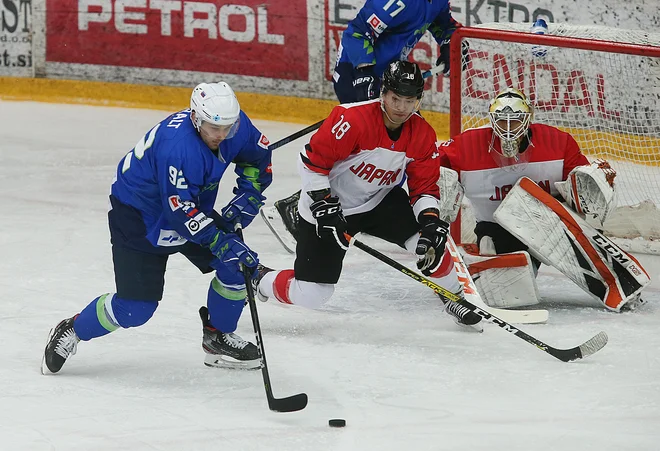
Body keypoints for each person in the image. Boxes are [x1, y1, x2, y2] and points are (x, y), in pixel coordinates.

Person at [42, 82, 273, 374]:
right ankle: (74, 329)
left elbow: (257, 159)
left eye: (228, 126)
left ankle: (218, 336)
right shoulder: (177, 148)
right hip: (140, 215)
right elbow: (180, 213)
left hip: (187, 204)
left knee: (236, 264)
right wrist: (220, 239)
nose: (223, 135)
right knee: (135, 309)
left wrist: (248, 198)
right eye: (215, 129)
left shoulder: (235, 127)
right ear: (196, 118)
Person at [253, 61, 483, 331]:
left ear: (419, 101)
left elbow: (424, 188)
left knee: (428, 243)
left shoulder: (422, 134)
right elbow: (311, 164)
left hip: (379, 200)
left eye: (409, 101)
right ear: (383, 93)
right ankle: (260, 278)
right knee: (313, 294)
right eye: (395, 98)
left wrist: (430, 219)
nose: (401, 108)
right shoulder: (351, 120)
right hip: (330, 209)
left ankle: (454, 295)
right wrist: (324, 204)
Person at [270, 0, 468, 240]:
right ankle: (309, 202)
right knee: (362, 148)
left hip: (389, 76)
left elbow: (443, 23)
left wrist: (450, 42)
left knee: (396, 153)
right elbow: (357, 32)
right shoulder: (397, 2)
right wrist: (364, 76)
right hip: (357, 71)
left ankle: (363, 211)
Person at [438, 87, 649, 312]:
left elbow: (583, 184)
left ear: (528, 119)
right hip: (496, 228)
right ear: (492, 120)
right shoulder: (466, 146)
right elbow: (430, 168)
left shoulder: (557, 142)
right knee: (507, 297)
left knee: (569, 228)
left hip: (550, 224)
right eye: (502, 121)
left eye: (516, 121)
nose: (508, 129)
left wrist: (593, 183)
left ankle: (618, 283)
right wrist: (438, 186)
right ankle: (471, 266)